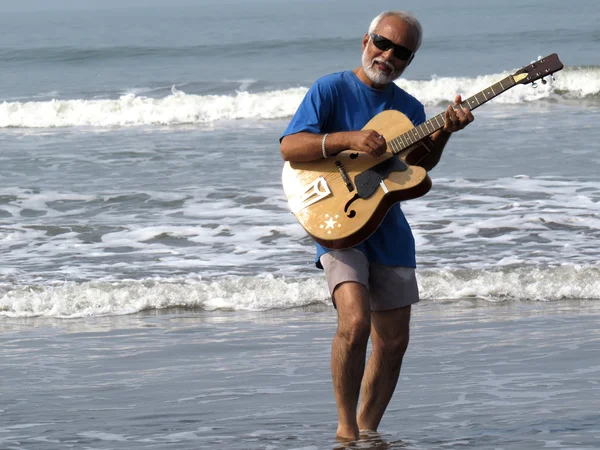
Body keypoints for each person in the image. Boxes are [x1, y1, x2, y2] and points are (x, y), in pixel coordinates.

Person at [280, 11, 474, 440]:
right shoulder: (331, 88)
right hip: (339, 218)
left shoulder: (409, 108)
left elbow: (416, 170)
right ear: (365, 40)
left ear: (410, 60)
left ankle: (368, 434)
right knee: (355, 322)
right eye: (382, 44)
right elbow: (291, 148)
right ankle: (345, 432)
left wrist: (444, 133)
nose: (388, 55)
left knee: (394, 340)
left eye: (401, 52)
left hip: (388, 226)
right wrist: (347, 139)